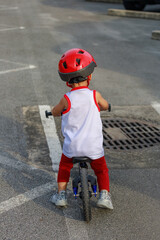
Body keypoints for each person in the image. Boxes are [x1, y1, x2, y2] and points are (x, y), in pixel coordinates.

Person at [50, 48, 113, 209]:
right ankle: (104, 196)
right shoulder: (95, 95)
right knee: (101, 170)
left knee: (64, 167)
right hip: (93, 147)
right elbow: (105, 105)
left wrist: (51, 112)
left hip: (73, 147)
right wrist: (107, 107)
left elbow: (56, 111)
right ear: (89, 76)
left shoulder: (66, 98)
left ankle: (61, 195)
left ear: (67, 82)